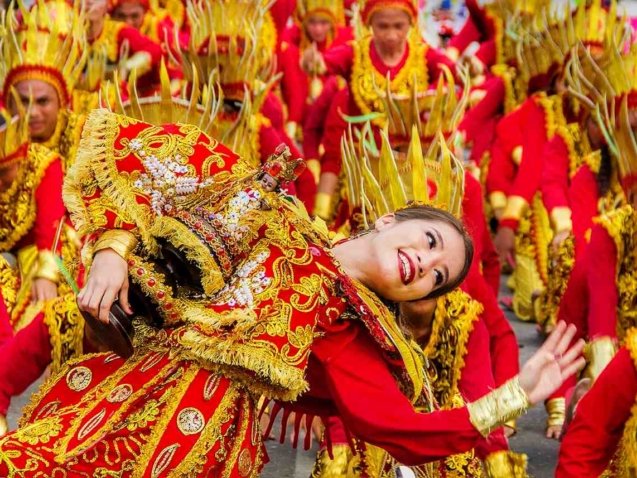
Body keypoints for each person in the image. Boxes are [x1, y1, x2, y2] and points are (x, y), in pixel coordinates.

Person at [0, 107, 584, 476]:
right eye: (429, 240)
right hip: (109, 400)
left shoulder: (341, 325)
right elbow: (135, 155)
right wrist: (112, 250)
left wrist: (517, 395)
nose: (424, 263)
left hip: (195, 450)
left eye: (436, 275)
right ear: (388, 220)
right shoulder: (270, 204)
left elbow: (398, 429)